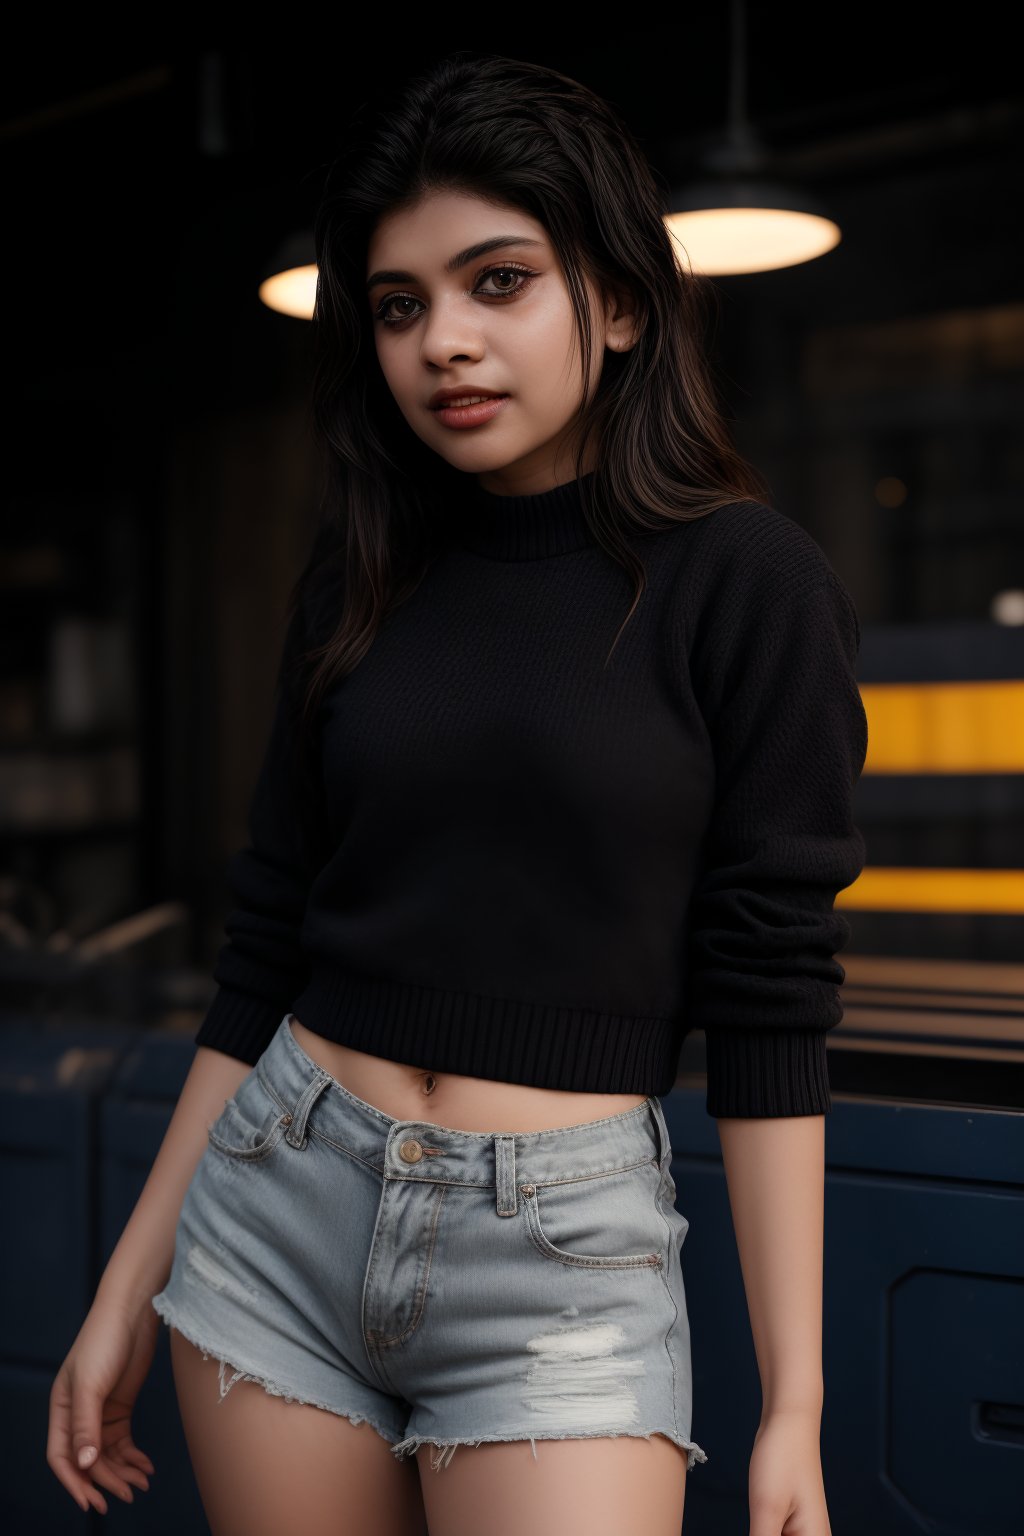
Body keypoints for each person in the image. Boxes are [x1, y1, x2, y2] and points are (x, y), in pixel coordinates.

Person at [47, 49, 868, 1536]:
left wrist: (797, 1405)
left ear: (618, 304)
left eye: (500, 282)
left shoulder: (751, 588)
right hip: (275, 1216)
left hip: (557, 1263)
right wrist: (126, 1284)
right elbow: (267, 945)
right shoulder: (361, 575)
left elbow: (773, 1001)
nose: (445, 343)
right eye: (401, 304)